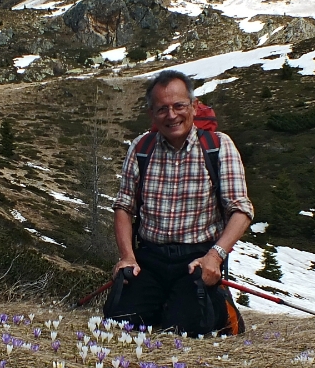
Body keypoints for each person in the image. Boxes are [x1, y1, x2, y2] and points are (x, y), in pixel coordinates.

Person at [104, 69, 254, 335]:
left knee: (186, 328)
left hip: (197, 260)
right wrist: (127, 257)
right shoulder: (141, 148)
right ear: (152, 114)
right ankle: (166, 301)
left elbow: (241, 210)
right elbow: (124, 207)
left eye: (179, 106)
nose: (171, 115)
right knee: (119, 320)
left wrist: (214, 257)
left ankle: (219, 306)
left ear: (194, 107)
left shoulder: (219, 146)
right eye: (162, 109)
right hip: (149, 259)